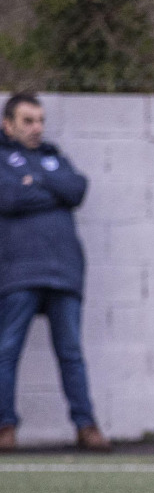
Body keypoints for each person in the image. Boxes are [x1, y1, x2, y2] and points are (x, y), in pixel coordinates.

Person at [0, 92, 110, 453]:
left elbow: (76, 189)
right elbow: (9, 198)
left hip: (65, 271)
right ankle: (5, 428)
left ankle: (86, 426)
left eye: (41, 121)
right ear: (8, 124)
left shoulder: (53, 156)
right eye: (28, 121)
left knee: (71, 353)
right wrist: (48, 186)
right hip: (19, 272)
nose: (37, 128)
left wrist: (34, 181)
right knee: (7, 350)